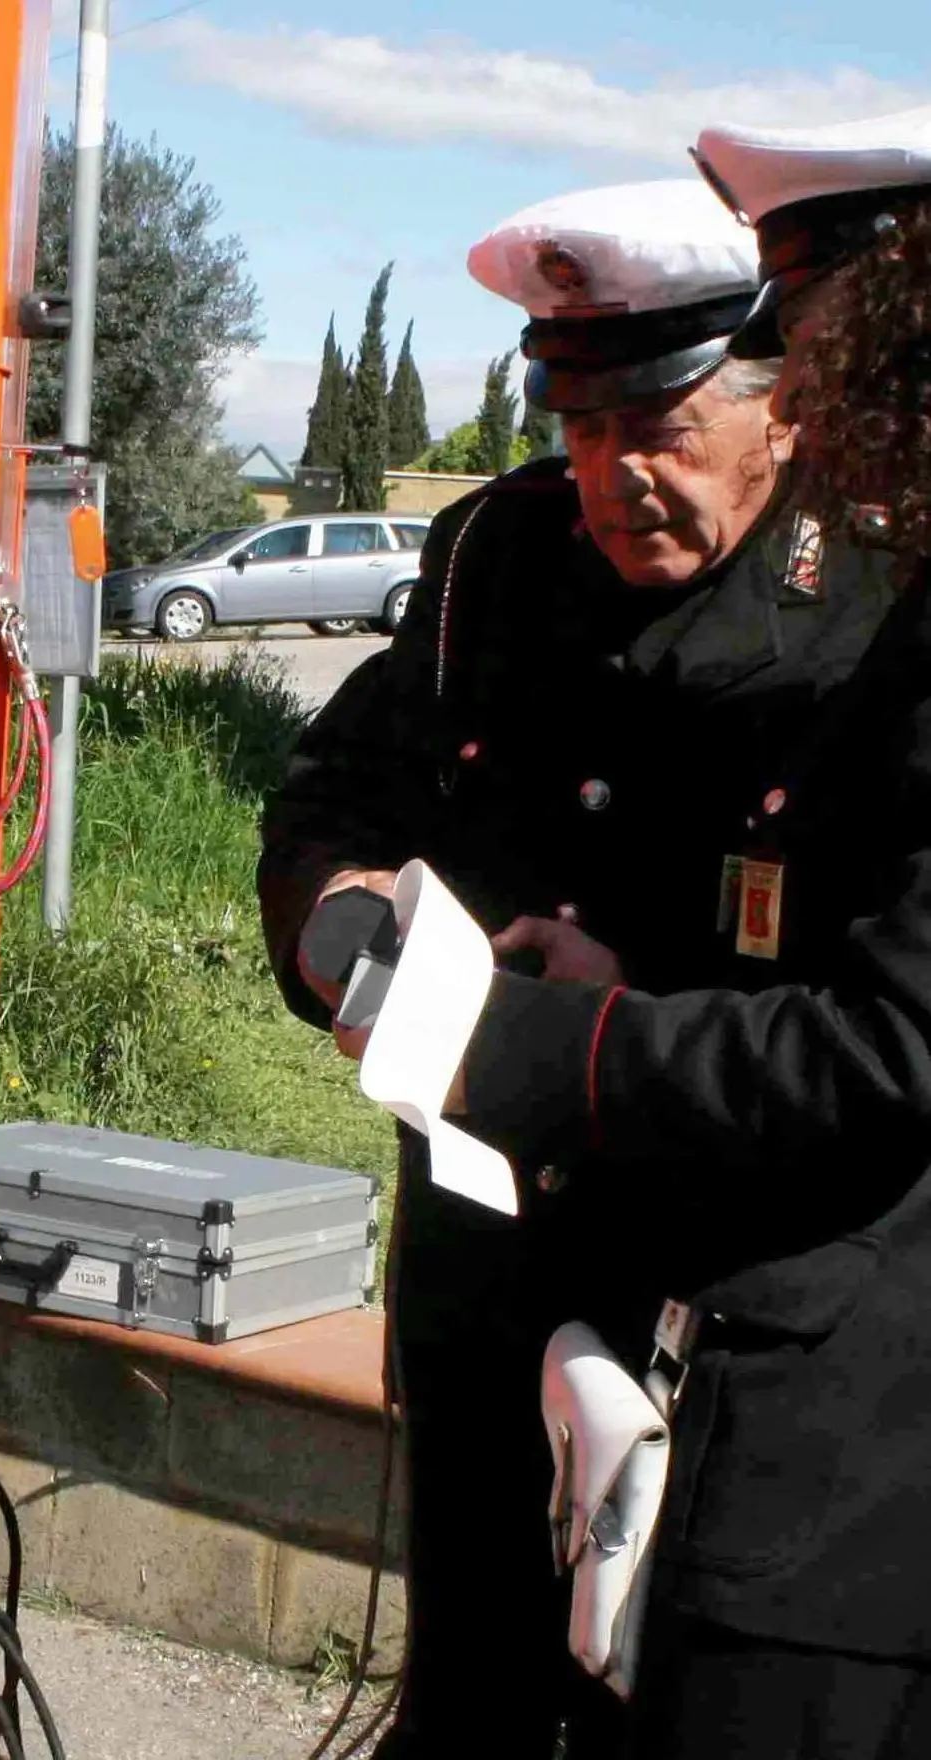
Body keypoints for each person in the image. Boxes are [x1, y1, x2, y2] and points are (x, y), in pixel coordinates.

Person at [258, 179, 898, 1759]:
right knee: (473, 1682)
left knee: (662, 1700)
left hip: (718, 1296)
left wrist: (581, 1010)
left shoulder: (875, 618)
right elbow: (335, 794)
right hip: (488, 1254)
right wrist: (353, 939)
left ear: (785, 411)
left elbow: (871, 1022)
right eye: (577, 424)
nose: (613, 476)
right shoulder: (503, 564)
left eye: (661, 425)